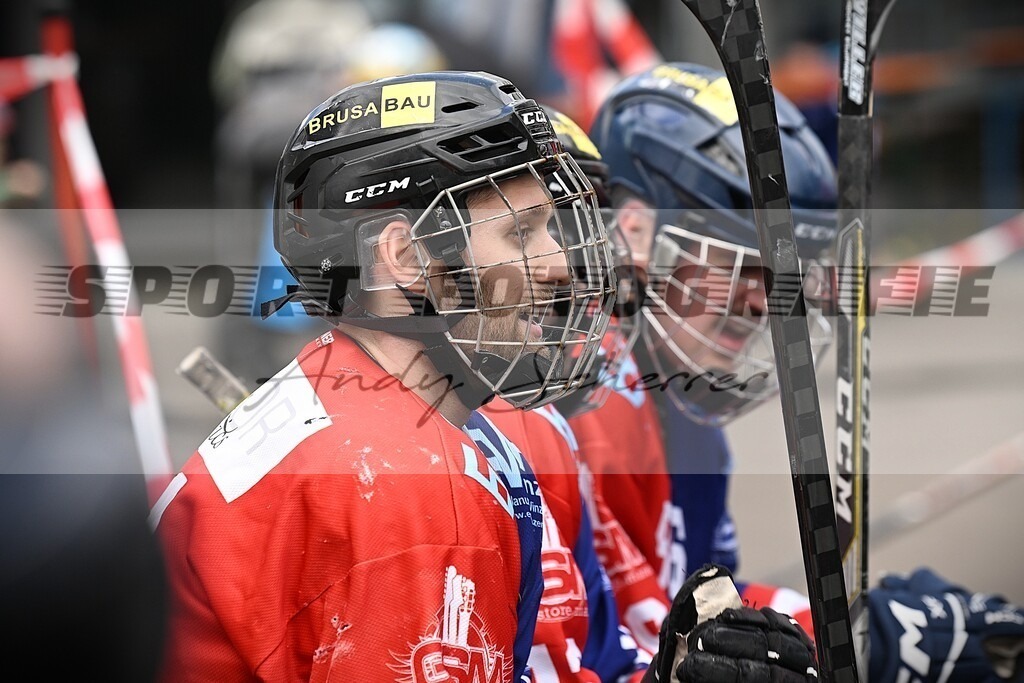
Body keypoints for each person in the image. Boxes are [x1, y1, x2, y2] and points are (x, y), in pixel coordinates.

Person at [153, 71, 617, 681]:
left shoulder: (345, 388)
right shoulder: (414, 485)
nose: (560, 265)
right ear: (405, 258)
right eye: (520, 233)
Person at [586, 61, 1024, 682]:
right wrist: (856, 643)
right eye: (739, 263)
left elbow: (703, 617)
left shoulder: (684, 414)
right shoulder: (582, 411)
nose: (765, 301)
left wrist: (856, 626)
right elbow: (613, 653)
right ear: (634, 235)